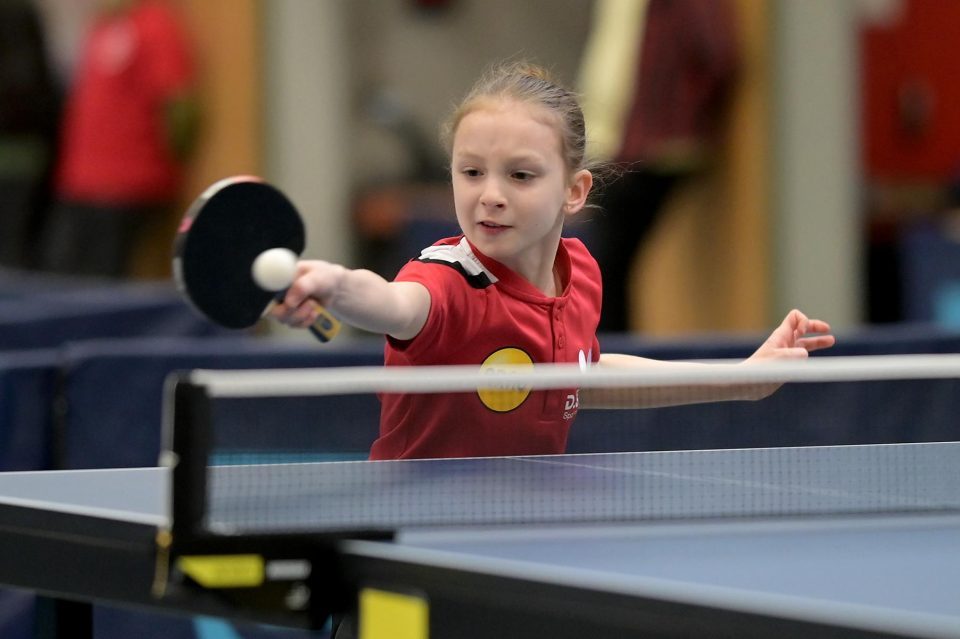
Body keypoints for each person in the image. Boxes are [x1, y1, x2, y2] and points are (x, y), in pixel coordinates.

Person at [272, 60, 835, 463]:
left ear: (574, 190)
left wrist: (742, 381)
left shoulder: (581, 272)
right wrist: (336, 283)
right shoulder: (447, 283)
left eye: (519, 175)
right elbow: (393, 304)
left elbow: (580, 376)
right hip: (421, 539)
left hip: (521, 534)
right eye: (471, 172)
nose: (489, 194)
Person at [579, 0, 739, 331]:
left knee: (604, 264)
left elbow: (717, 54)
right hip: (614, 146)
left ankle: (610, 363)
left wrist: (676, 116)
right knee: (606, 265)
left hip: (654, 150)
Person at [39, 0, 198, 278]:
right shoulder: (101, 25)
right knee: (58, 276)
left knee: (105, 284)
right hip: (78, 183)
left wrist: (156, 162)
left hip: (128, 186)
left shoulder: (155, 24)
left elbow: (178, 106)